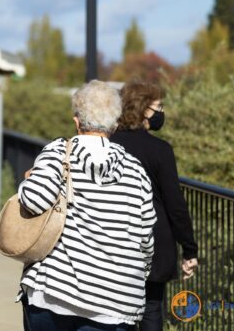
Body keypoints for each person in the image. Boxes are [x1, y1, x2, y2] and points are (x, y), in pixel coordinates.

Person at [18, 80, 157, 331]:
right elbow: (146, 235)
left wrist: (27, 181)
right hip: (115, 301)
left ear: (76, 121)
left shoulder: (59, 153)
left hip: (54, 293)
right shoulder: (135, 170)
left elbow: (34, 199)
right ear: (114, 124)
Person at [111, 80, 198, 331]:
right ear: (144, 110)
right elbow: (175, 205)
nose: (162, 113)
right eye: (159, 107)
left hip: (114, 241)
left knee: (114, 311)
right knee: (151, 309)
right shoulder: (160, 150)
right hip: (154, 243)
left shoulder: (108, 144)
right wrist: (189, 249)